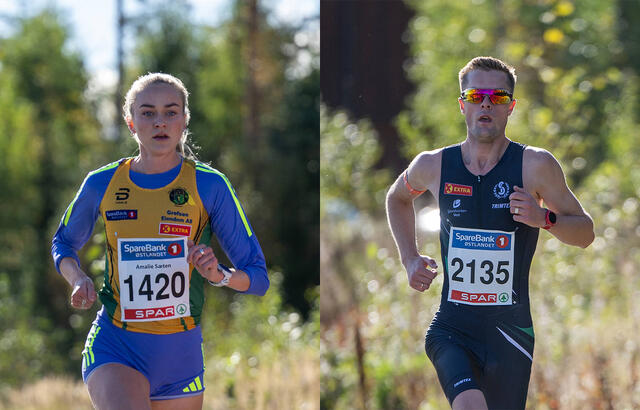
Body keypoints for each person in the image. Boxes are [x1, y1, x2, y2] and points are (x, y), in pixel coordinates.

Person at [386, 56, 594, 410]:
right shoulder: (433, 164)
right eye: (475, 95)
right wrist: (409, 258)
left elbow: (585, 232)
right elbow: (397, 198)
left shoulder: (535, 165)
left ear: (510, 107)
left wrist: (544, 217)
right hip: (451, 326)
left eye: (497, 97)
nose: (485, 103)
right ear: (462, 105)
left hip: (509, 332)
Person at [51, 72, 269, 410]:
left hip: (181, 358)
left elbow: (257, 279)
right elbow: (63, 244)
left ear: (184, 120)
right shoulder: (102, 183)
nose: (160, 122)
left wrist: (218, 275)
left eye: (171, 112)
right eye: (147, 112)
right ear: (131, 123)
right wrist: (78, 279)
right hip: (117, 347)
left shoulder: (210, 186)